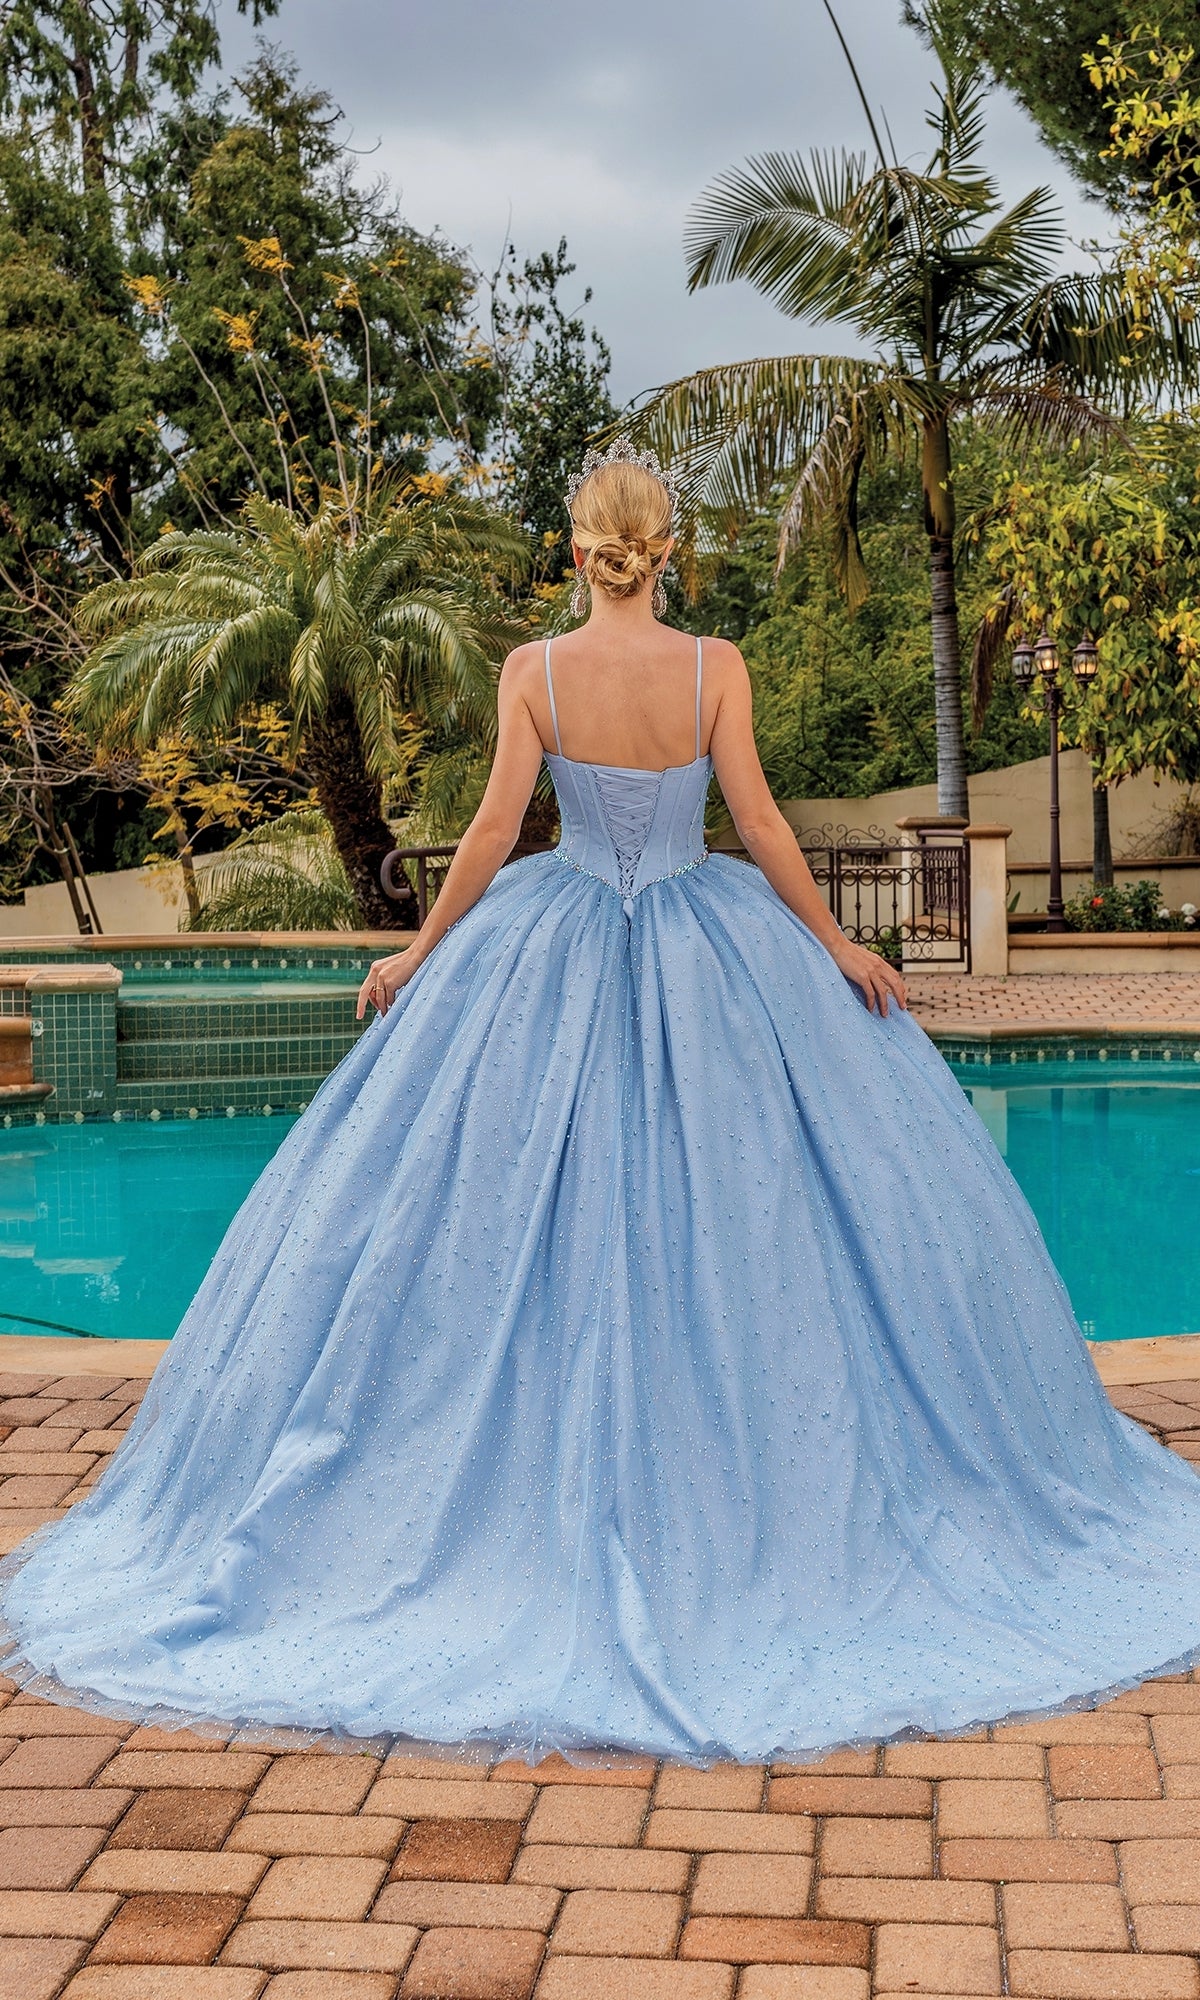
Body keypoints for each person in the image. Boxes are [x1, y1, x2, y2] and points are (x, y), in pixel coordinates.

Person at [4, 437, 1200, 1765]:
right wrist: (840, 948)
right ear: (666, 548)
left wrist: (417, 952)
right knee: (745, 1222)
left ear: (580, 551)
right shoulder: (712, 668)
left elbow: (490, 834)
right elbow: (762, 829)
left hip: (549, 940)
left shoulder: (537, 673)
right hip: (714, 944)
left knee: (494, 1225)